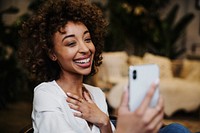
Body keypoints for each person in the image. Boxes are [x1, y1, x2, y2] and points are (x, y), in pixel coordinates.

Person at [18, 0, 191, 133]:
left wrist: (104, 122)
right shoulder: (46, 94)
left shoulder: (97, 94)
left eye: (87, 39)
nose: (85, 49)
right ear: (52, 54)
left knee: (176, 129)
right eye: (71, 43)